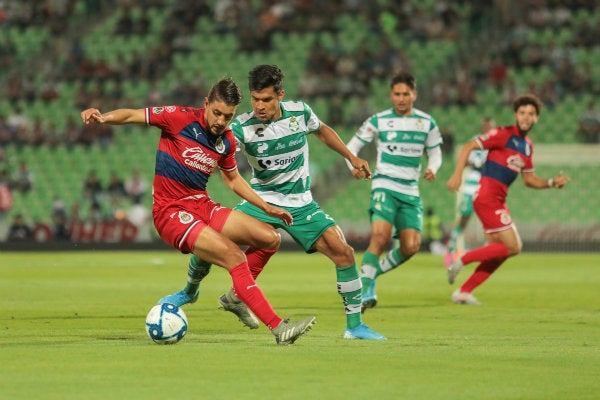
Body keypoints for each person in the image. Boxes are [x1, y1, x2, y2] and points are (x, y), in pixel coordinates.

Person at [80, 77, 316, 345]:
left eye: (227, 116)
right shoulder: (177, 117)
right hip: (170, 212)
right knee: (234, 256)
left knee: (269, 238)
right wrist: (102, 118)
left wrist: (266, 207)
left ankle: (236, 297)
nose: (220, 121)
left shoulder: (226, 140)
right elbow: (133, 115)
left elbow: (233, 179)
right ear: (206, 104)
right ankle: (279, 328)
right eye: (216, 113)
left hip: (201, 204)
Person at [159, 65, 385, 340]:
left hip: (302, 203)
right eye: (255, 99)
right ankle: (189, 291)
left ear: (281, 95)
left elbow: (323, 130)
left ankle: (354, 327)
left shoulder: (300, 112)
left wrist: (352, 156)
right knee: (211, 233)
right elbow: (218, 144)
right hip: (261, 200)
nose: (260, 106)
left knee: (344, 253)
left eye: (266, 99)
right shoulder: (242, 125)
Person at [446, 94, 570, 305]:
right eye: (522, 113)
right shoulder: (502, 134)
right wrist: (457, 174)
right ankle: (462, 258)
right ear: (516, 115)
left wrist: (550, 182)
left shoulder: (527, 146)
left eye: (531, 114)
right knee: (514, 247)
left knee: (500, 253)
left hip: (498, 200)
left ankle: (463, 292)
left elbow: (529, 180)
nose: (526, 117)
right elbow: (468, 147)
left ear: (536, 119)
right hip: (486, 198)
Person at [345, 71, 443, 311]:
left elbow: (436, 152)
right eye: (397, 94)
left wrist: (432, 168)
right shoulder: (378, 120)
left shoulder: (426, 122)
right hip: (384, 184)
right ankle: (362, 292)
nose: (401, 98)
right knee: (380, 237)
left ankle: (369, 276)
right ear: (391, 95)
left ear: (414, 95)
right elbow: (352, 146)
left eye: (405, 94)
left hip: (410, 190)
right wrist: (353, 166)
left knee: (411, 247)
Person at [444, 117, 494, 267]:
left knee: (489, 219)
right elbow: (466, 160)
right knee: (464, 216)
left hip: (488, 184)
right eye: (486, 126)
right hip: (472, 183)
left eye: (490, 126)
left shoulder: (496, 143)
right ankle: (451, 250)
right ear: (482, 127)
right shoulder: (474, 142)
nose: (488, 129)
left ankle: (487, 253)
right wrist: (478, 164)